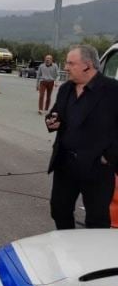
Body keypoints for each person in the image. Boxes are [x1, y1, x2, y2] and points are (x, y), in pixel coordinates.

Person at [46, 45, 118, 229]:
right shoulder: (65, 89)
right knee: (59, 210)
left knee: (97, 219)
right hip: (65, 163)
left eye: (71, 63)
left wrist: (109, 157)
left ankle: (92, 255)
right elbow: (55, 113)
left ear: (87, 65)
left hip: (97, 168)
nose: (66, 67)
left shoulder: (112, 91)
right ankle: (68, 249)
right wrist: (52, 121)